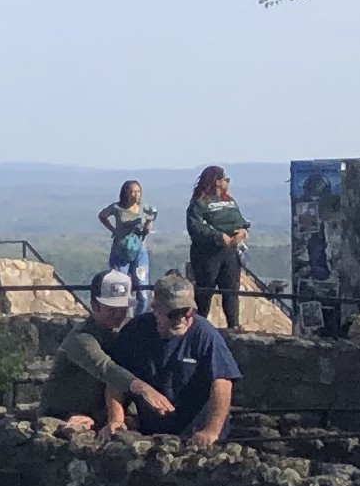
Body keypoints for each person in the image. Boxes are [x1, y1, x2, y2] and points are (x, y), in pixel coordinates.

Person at [37, 270, 175, 434]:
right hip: (60, 415)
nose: (118, 315)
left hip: (98, 415)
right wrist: (143, 388)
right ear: (95, 306)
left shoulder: (124, 334)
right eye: (111, 309)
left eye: (122, 309)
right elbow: (105, 368)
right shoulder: (80, 339)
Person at [110, 276, 239, 445]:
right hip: (150, 434)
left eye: (188, 312)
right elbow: (115, 376)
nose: (183, 318)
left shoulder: (205, 334)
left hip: (196, 437)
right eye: (175, 313)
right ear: (155, 309)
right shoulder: (135, 331)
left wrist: (211, 430)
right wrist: (116, 419)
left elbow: (222, 382)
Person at [185, 166, 251, 328]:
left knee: (231, 292)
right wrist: (219, 236)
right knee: (204, 293)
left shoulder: (229, 201)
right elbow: (196, 228)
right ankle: (197, 327)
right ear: (217, 181)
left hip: (230, 253)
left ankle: (233, 327)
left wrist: (243, 232)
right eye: (225, 179)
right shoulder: (199, 203)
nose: (228, 183)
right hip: (207, 256)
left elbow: (240, 221)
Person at [98, 178, 156, 296]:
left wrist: (149, 222)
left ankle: (141, 308)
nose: (136, 194)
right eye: (133, 192)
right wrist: (113, 230)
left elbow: (147, 230)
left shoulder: (144, 208)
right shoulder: (117, 207)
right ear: (126, 193)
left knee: (142, 286)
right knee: (120, 285)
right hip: (121, 250)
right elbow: (102, 216)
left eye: (138, 191)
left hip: (139, 248)